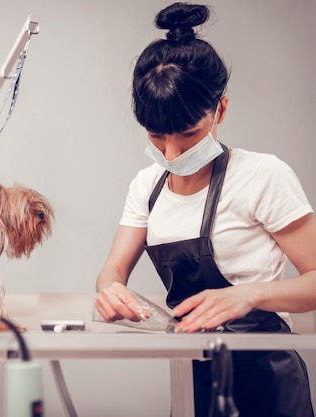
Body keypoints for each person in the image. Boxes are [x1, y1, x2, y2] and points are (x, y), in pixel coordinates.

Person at [95, 3, 316, 417]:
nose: (172, 152)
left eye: (189, 134)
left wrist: (249, 295)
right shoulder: (147, 187)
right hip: (193, 373)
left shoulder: (263, 176)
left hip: (267, 380)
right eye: (157, 137)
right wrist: (109, 292)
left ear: (221, 111)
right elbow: (111, 272)